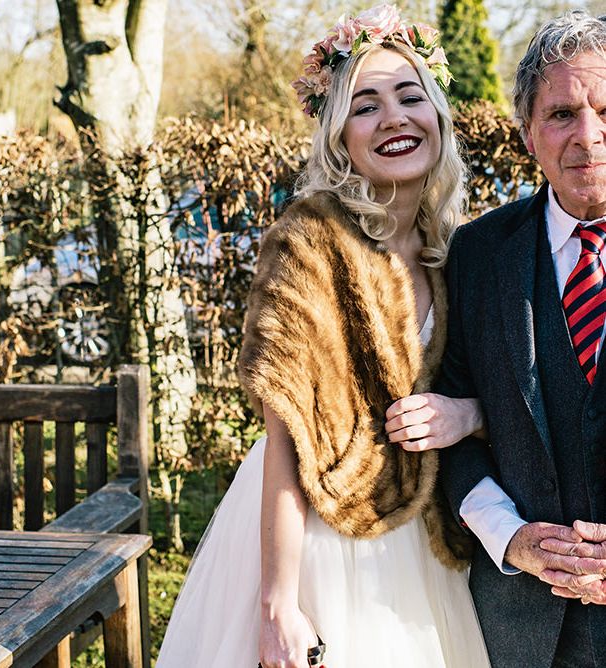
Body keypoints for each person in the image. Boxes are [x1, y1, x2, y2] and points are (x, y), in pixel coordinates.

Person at [156, 5, 491, 667]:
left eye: (409, 95)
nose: (393, 117)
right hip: (318, 528)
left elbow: (492, 390)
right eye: (365, 105)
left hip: (425, 531)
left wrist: (469, 415)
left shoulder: (457, 247)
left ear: (438, 116)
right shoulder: (309, 242)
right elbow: (284, 437)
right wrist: (279, 601)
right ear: (340, 136)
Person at [386, 9, 606, 668]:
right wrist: (510, 538)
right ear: (528, 134)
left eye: (605, 108)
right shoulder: (478, 255)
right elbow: (452, 430)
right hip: (519, 630)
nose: (588, 137)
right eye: (562, 114)